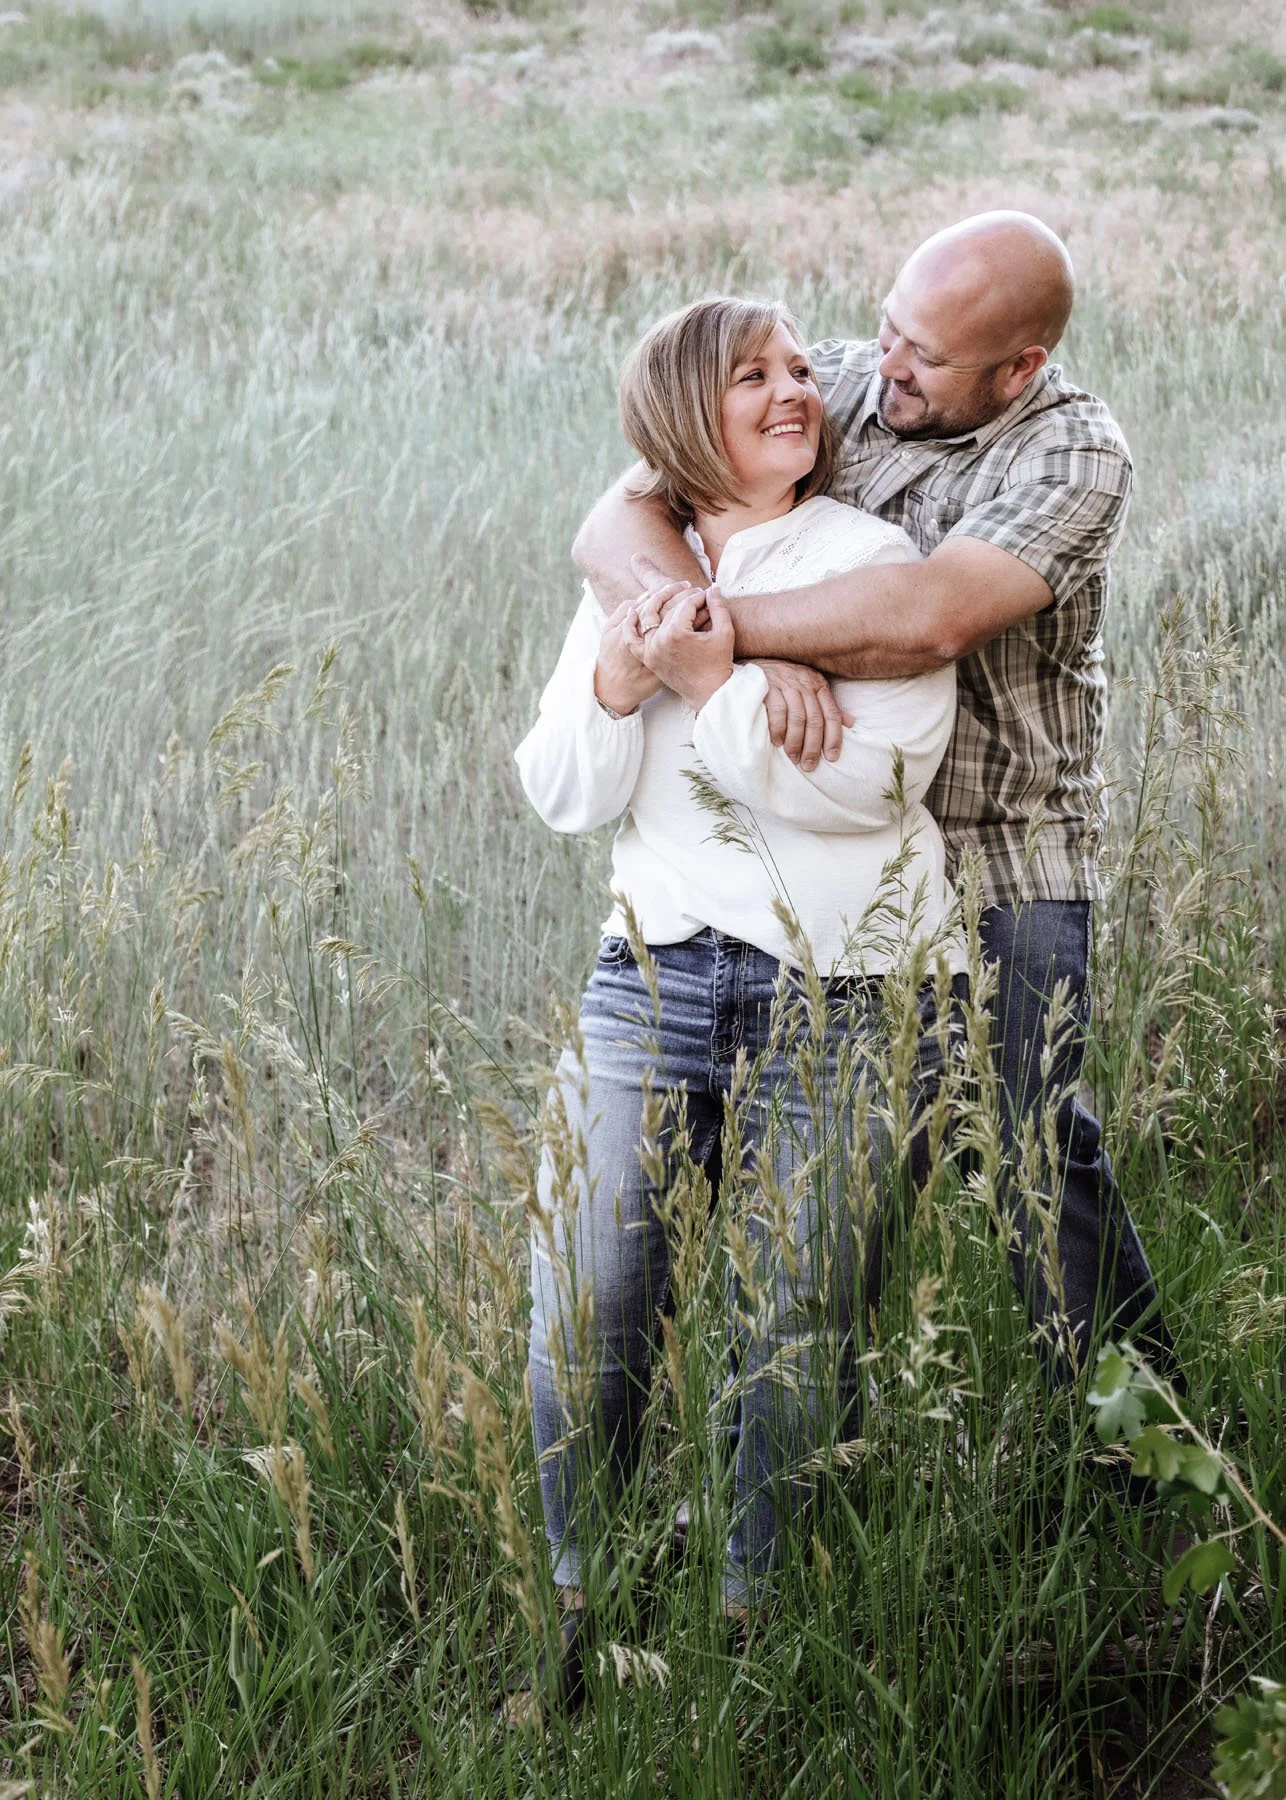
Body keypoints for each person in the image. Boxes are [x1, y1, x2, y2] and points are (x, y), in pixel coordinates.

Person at [572, 211, 1178, 1395]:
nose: (882, 366)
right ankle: (780, 1477)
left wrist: (722, 642)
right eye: (888, 329)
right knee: (820, 1216)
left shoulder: (1070, 454)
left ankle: (1141, 1469)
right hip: (816, 835)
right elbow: (614, 517)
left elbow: (926, 617)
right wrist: (710, 635)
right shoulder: (841, 379)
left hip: (997, 849)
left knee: (1029, 1158)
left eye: (924, 357)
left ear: (1018, 370)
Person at [512, 295, 962, 1717]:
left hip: (841, 990)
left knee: (791, 1329)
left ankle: (758, 1638)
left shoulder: (862, 560)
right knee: (584, 1305)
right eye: (747, 377)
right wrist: (619, 670)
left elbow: (872, 791)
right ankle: (582, 1617)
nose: (793, 393)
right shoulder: (633, 570)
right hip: (647, 978)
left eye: (794, 372)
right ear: (673, 419)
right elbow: (563, 791)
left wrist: (716, 684)